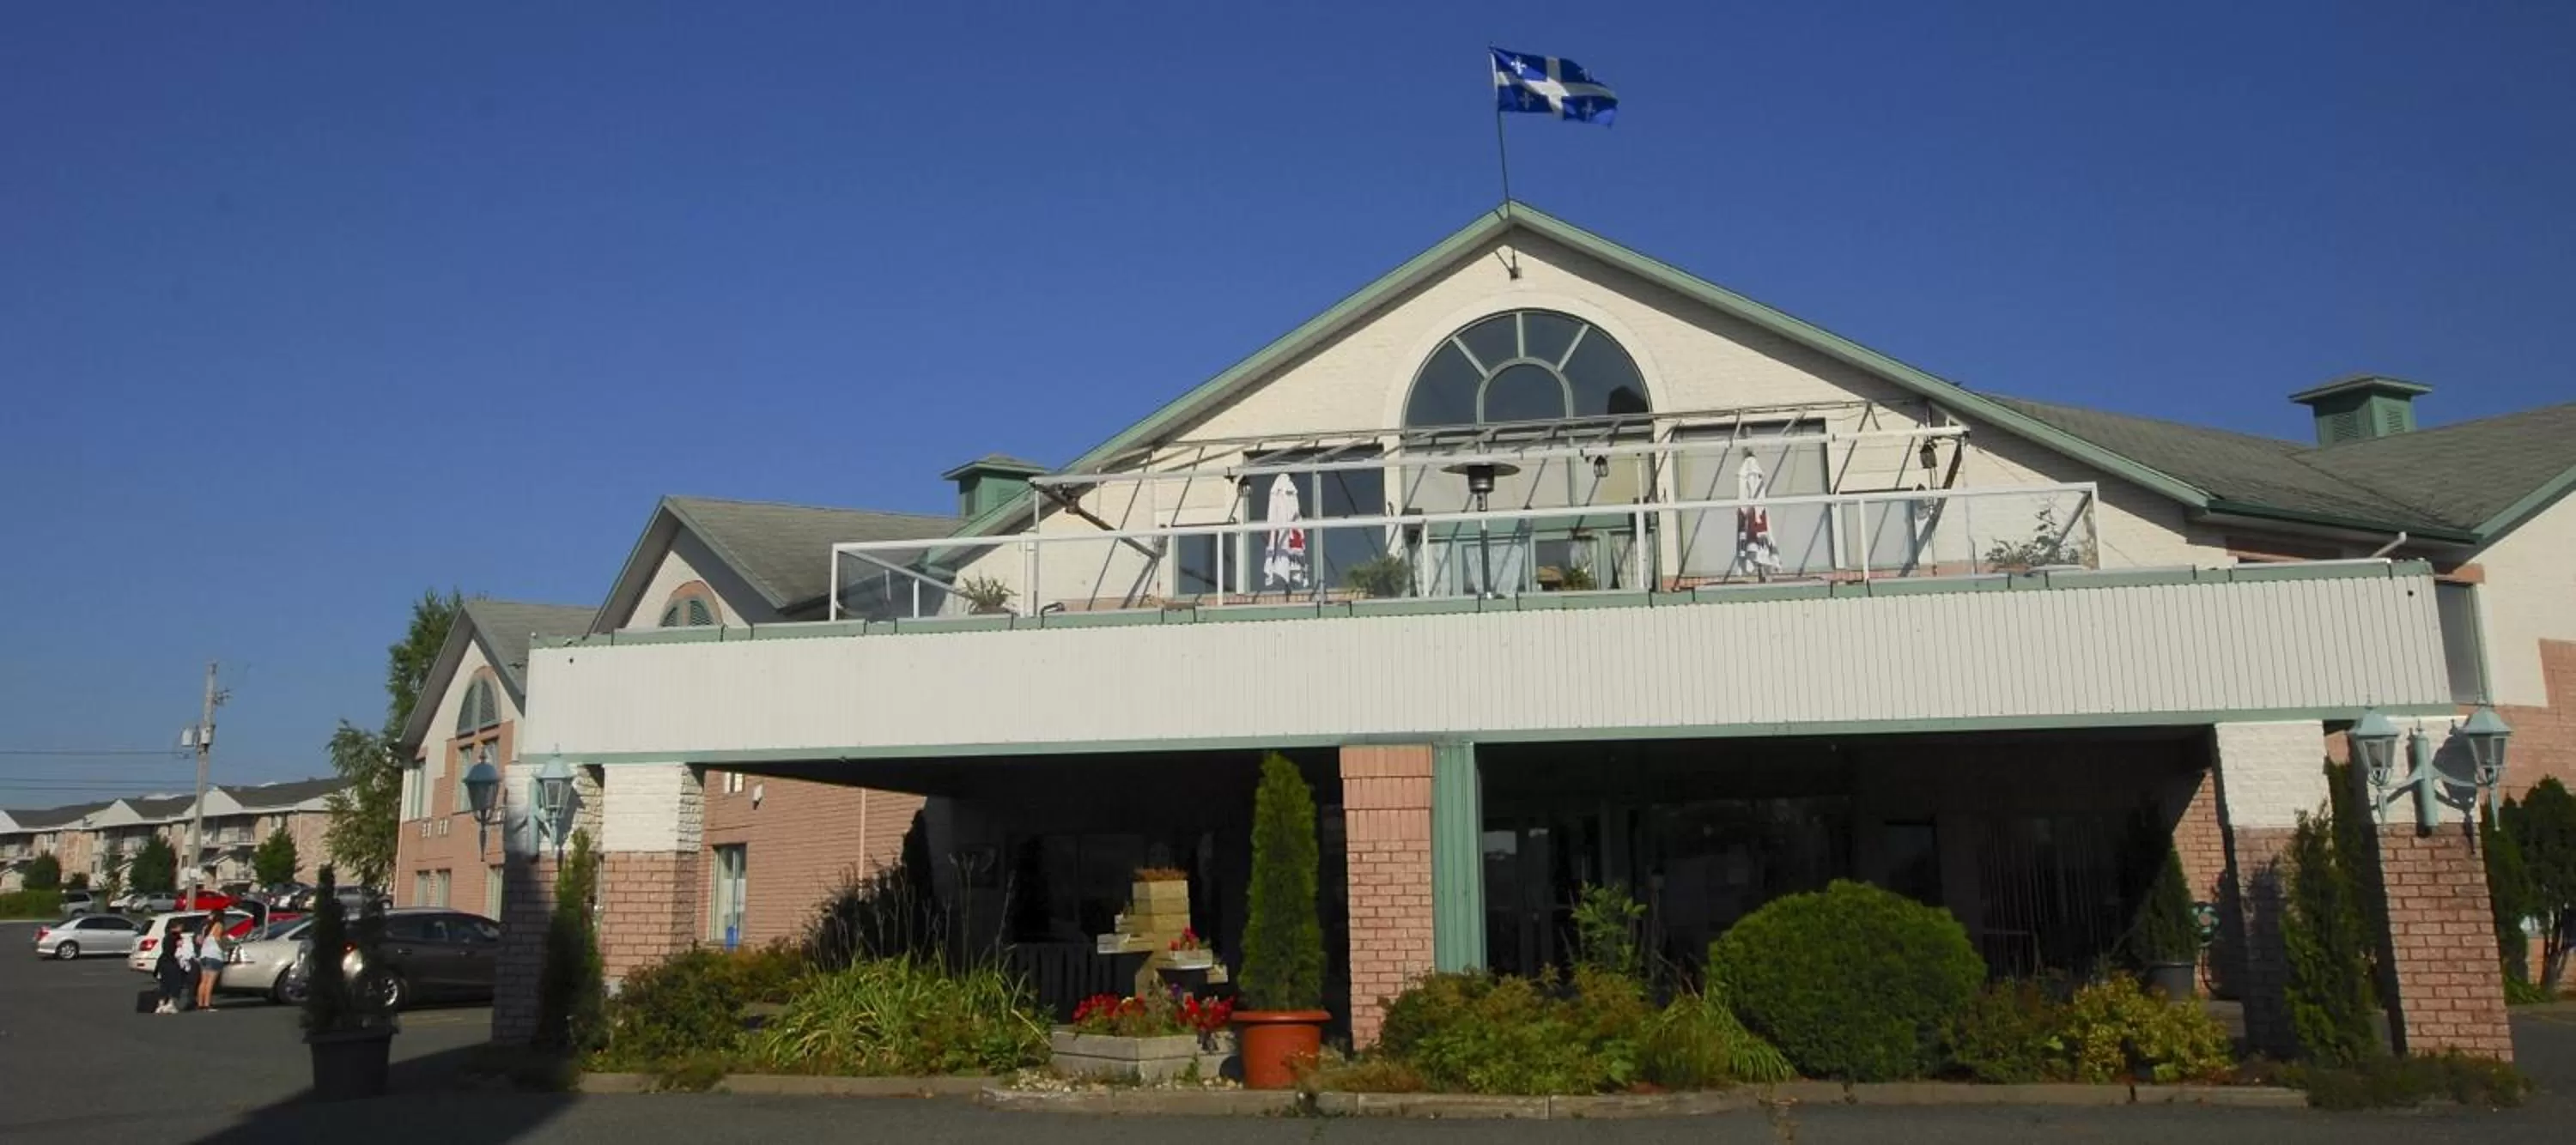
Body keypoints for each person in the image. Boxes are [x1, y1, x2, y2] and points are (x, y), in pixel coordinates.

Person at [152, 920, 196, 1015]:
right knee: (176, 983)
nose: (182, 928)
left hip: (163, 961)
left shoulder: (166, 936)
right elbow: (180, 948)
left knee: (164, 983)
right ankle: (170, 1004)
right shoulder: (177, 936)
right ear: (177, 927)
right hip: (172, 961)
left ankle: (160, 1005)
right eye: (181, 926)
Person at [194, 916, 226, 1012]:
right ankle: (207, 1005)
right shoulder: (219, 925)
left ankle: (200, 1004)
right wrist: (224, 946)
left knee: (203, 981)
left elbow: (199, 941)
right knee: (210, 982)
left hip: (204, 955)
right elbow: (218, 939)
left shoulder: (206, 927)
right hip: (214, 955)